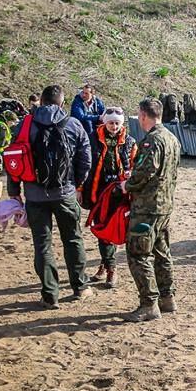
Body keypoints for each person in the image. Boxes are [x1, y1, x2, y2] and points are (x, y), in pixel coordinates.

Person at [7, 85, 93, 309]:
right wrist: (78, 184)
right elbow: (86, 158)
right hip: (65, 193)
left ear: (41, 102)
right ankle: (80, 287)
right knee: (73, 239)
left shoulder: (24, 125)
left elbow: (13, 160)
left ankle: (50, 295)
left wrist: (14, 193)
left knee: (42, 245)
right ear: (62, 103)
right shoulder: (74, 124)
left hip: (35, 195)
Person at [122, 98, 181, 322]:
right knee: (161, 252)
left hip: (147, 207)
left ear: (143, 116)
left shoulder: (152, 141)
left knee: (139, 254)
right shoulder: (172, 138)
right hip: (164, 206)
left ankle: (149, 304)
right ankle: (167, 297)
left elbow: (145, 171)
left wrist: (126, 185)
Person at [81, 107, 137, 289]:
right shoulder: (93, 139)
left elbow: (134, 167)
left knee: (114, 229)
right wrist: (80, 189)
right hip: (98, 191)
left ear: (122, 124)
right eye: (111, 123)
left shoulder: (129, 142)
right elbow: (83, 165)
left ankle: (108, 267)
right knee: (102, 229)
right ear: (105, 123)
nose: (114, 126)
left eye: (117, 123)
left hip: (120, 193)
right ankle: (108, 267)